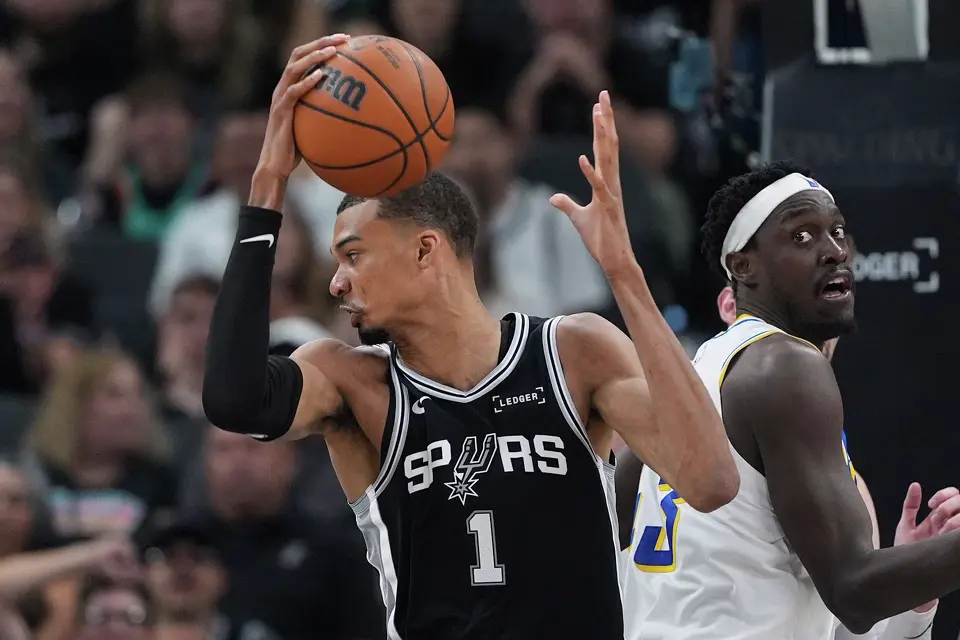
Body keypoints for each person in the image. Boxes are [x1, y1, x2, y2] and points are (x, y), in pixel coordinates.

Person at [202, 34, 739, 639]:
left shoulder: (572, 353)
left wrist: (624, 274)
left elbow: (711, 482)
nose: (336, 284)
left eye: (353, 256)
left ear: (426, 249)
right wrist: (268, 183)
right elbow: (233, 399)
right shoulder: (355, 384)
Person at [618, 160, 960, 639]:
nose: (834, 251)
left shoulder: (688, 387)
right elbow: (855, 592)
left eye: (839, 232)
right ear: (742, 267)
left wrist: (914, 593)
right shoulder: (784, 367)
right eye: (803, 236)